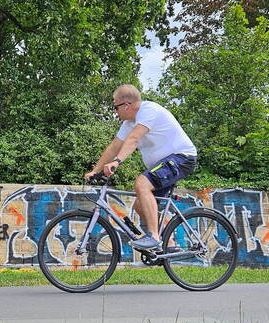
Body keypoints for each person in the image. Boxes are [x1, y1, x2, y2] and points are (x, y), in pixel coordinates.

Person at [84, 84, 197, 250]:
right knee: (139, 206)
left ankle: (154, 237)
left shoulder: (148, 110)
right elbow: (113, 147)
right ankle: (169, 244)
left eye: (115, 107)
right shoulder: (128, 123)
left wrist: (117, 162)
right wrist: (95, 170)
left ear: (126, 105)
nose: (115, 112)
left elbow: (134, 139)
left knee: (141, 184)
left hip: (182, 158)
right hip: (165, 164)